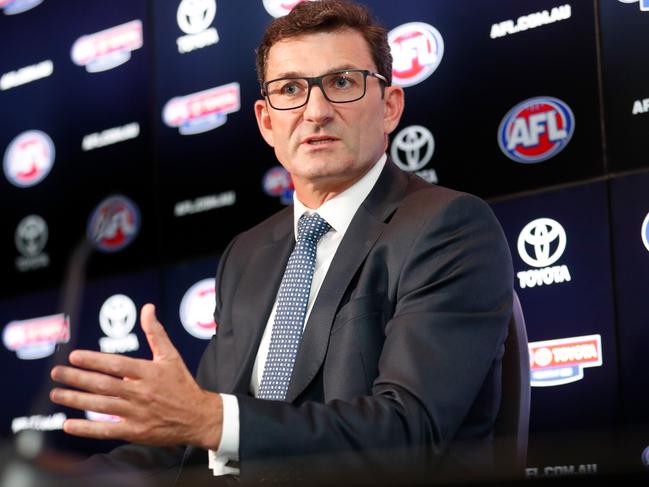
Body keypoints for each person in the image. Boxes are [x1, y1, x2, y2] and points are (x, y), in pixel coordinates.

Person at [50, 1, 513, 485]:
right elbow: (188, 443)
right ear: (267, 122)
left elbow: (407, 433)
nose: (316, 112)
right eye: (290, 89)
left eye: (342, 83)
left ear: (390, 106)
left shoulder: (448, 227)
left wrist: (214, 420)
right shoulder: (247, 254)